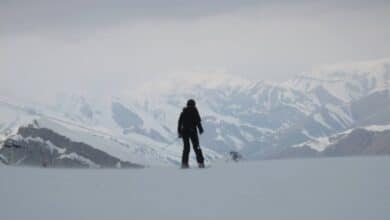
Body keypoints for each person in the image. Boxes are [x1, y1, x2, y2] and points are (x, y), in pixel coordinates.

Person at [177, 99, 205, 168]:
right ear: (194, 104)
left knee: (186, 148)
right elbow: (198, 122)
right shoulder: (194, 111)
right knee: (196, 147)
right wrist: (200, 129)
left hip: (184, 132)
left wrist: (179, 132)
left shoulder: (183, 112)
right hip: (193, 132)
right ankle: (201, 163)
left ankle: (184, 164)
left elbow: (179, 124)